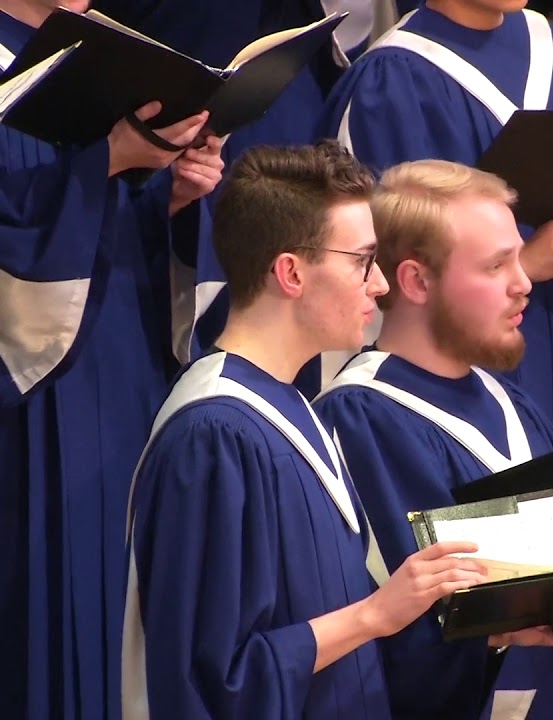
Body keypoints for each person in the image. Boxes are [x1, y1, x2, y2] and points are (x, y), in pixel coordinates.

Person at [315, 1, 553, 703]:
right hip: (444, 369)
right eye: (494, 264)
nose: (512, 282)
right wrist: (528, 262)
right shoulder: (393, 78)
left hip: (548, 356)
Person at [122, 141, 498, 717]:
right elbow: (213, 678)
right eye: (361, 262)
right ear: (291, 272)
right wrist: (376, 613)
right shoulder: (215, 433)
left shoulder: (295, 409)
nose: (379, 287)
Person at [314, 158, 553, 719]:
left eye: (519, 255)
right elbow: (394, 630)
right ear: (415, 280)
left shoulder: (510, 401)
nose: (524, 281)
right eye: (496, 266)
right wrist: (505, 627)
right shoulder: (361, 417)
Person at [0, 2, 226, 716]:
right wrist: (110, 159)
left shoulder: (118, 52)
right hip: (37, 387)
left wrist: (172, 189)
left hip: (124, 350)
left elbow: (122, 221)